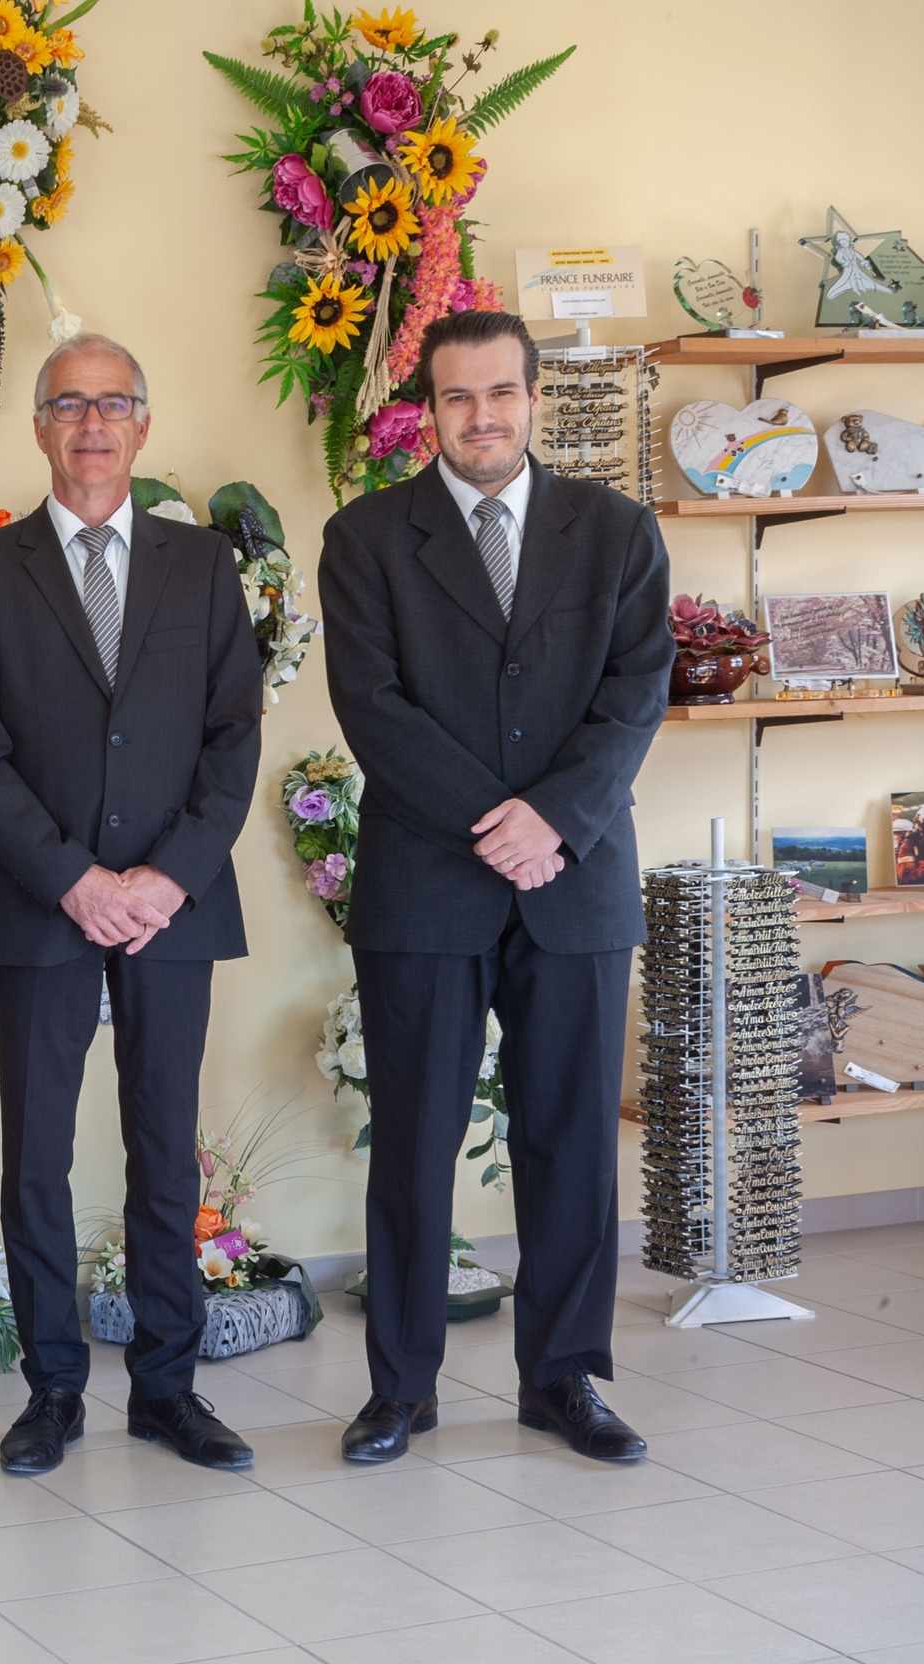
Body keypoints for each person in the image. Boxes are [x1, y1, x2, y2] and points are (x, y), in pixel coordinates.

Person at [320, 309, 673, 1465]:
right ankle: (401, 1389)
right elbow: (373, 707)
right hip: (428, 879)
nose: (483, 417)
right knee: (414, 1139)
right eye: (459, 398)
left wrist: (552, 820)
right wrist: (495, 820)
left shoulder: (617, 530)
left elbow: (634, 695)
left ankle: (565, 1377)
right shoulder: (366, 536)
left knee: (572, 1136)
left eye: (502, 394)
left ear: (534, 397)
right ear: (430, 406)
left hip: (575, 879)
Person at [0, 335, 263, 1476]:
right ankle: (54, 1389)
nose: (91, 423)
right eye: (68, 404)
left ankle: (168, 1387)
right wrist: (74, 876)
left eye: (113, 402)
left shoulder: (202, 565)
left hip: (178, 901)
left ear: (143, 423)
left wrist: (165, 876)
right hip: (41, 905)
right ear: (37, 426)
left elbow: (233, 737)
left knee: (165, 1149)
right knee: (38, 1155)